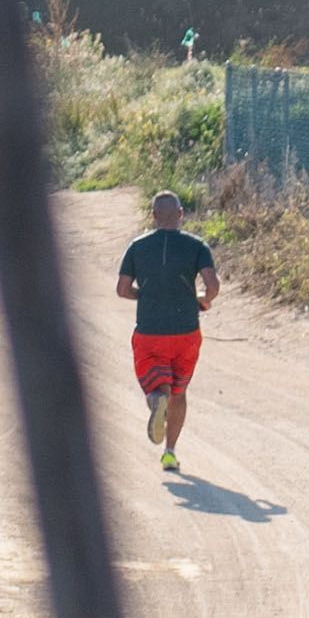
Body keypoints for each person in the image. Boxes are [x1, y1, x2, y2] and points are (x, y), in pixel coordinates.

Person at [114, 192, 218, 471]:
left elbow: (122, 290)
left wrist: (145, 296)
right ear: (181, 214)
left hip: (150, 330)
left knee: (155, 382)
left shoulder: (137, 247)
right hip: (187, 332)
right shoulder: (197, 246)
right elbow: (213, 286)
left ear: (153, 216)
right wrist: (203, 301)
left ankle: (154, 399)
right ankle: (170, 452)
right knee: (179, 392)